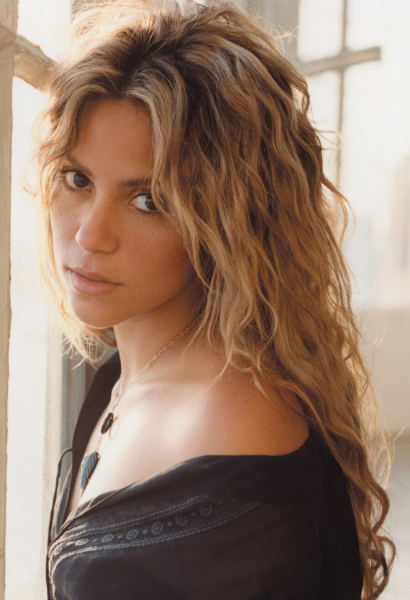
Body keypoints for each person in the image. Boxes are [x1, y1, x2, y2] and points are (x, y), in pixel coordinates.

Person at [34, 1, 395, 598]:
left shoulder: (231, 424)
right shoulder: (120, 375)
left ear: (228, 221)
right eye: (77, 179)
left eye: (148, 200)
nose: (89, 235)